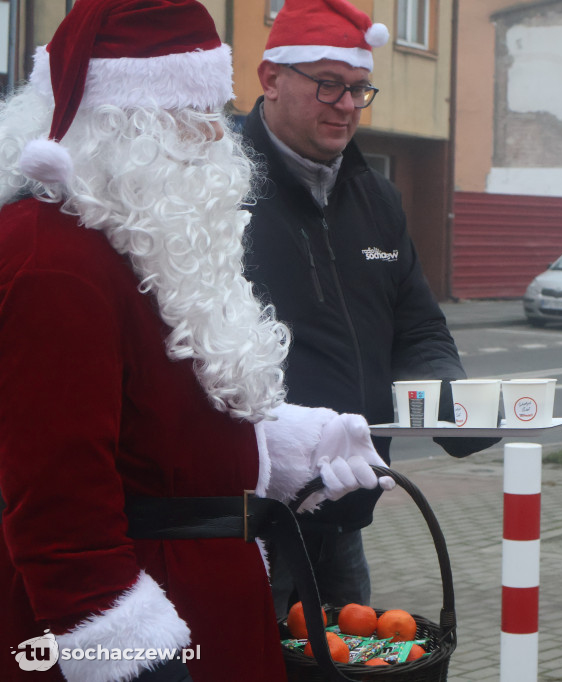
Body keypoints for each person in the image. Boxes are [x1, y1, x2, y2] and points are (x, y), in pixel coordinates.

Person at [0, 1, 394, 680]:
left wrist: (289, 444)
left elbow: (157, 424)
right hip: (145, 625)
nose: (217, 136)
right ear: (124, 126)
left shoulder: (138, 238)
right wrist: (130, 655)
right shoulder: (52, 257)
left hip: (213, 610)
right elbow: (58, 503)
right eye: (194, 115)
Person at [242, 0, 498, 618]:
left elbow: (417, 328)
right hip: (245, 521)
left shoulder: (375, 195)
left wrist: (454, 408)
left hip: (344, 510)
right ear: (271, 78)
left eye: (360, 88)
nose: (349, 104)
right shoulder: (218, 183)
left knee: (352, 656)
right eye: (329, 84)